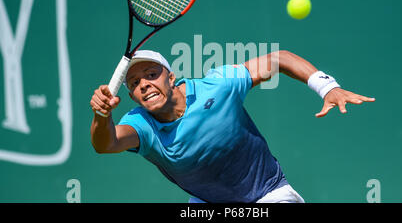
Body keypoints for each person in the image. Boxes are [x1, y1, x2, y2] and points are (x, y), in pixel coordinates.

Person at [90, 49, 375, 203]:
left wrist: (328, 88)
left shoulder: (218, 86)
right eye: (135, 83)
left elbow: (280, 59)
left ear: (171, 77)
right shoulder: (140, 123)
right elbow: (106, 144)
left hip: (271, 195)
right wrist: (102, 115)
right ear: (130, 95)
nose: (145, 85)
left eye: (151, 74)